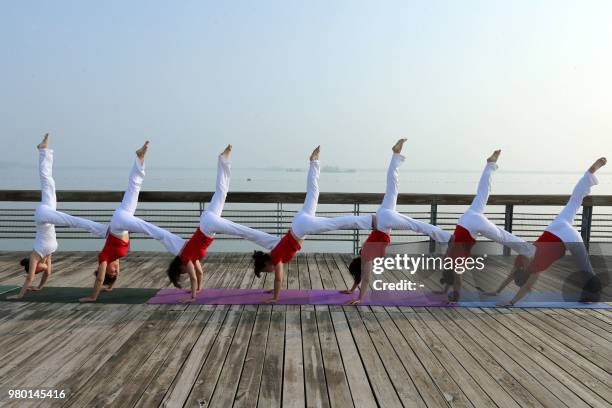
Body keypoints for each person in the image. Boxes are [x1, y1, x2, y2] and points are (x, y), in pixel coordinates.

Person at [252, 146, 376, 303]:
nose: (270, 272)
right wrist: (274, 289)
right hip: (299, 222)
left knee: (334, 224)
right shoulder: (275, 254)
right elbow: (278, 279)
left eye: (266, 271)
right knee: (313, 193)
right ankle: (314, 162)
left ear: (266, 264)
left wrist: (275, 298)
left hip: (302, 227)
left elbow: (279, 279)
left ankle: (369, 220)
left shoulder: (276, 257)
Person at [482, 158, 607, 306]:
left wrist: (511, 302)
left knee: (585, 267)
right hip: (555, 227)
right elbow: (512, 275)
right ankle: (588, 176)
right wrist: (497, 291)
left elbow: (527, 287)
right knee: (574, 201)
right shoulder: (521, 258)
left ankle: (592, 293)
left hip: (568, 238)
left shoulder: (535, 267)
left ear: (526, 274)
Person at [342, 139, 452, 304]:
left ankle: (449, 238)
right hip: (384, 214)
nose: (364, 271)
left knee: (416, 225)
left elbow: (365, 279)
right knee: (392, 186)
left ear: (361, 265)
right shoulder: (363, 253)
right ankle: (396, 154)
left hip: (385, 222)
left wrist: (359, 298)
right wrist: (351, 289)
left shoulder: (366, 257)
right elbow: (360, 277)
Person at [166, 144, 280, 303]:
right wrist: (199, 289)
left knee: (240, 231)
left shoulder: (186, 259)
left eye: (183, 272)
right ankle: (223, 160)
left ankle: (275, 242)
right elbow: (199, 274)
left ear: (181, 267)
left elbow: (193, 277)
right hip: (208, 222)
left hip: (208, 225)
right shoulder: (192, 258)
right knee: (221, 193)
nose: (187, 271)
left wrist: (192, 297)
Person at [80, 141, 185, 302]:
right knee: (133, 188)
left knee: (150, 229)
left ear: (104, 269)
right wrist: (111, 285)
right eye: (115, 274)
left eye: (111, 272)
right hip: (122, 218)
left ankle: (182, 246)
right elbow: (108, 278)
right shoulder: (115, 260)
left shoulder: (104, 258)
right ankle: (139, 159)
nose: (115, 271)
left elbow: (99, 279)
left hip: (120, 223)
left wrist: (93, 297)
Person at [8, 134, 108, 300]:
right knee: (49, 183)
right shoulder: (47, 254)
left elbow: (29, 278)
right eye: (41, 269)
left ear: (33, 266)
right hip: (49, 215)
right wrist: (40, 287)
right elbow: (49, 273)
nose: (43, 268)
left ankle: (103, 230)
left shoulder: (35, 255)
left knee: (72, 221)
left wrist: (19, 296)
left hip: (43, 216)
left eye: (39, 268)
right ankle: (43, 150)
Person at [437, 150, 535, 303]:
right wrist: (443, 291)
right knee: (483, 193)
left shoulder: (454, 263)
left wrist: (454, 299)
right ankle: (490, 164)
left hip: (472, 226)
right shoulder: (447, 258)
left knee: (501, 236)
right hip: (465, 219)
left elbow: (458, 282)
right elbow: (450, 276)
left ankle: (529, 250)